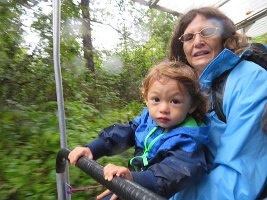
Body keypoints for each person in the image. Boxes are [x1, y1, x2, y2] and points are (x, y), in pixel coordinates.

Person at [68, 61, 209, 199]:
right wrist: (92, 149)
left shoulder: (189, 139)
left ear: (192, 105)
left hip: (150, 191)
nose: (163, 109)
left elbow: (175, 172)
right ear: (146, 98)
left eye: (175, 101)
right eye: (156, 99)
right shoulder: (147, 120)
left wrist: (134, 179)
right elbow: (123, 134)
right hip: (132, 184)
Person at [168, 6, 267, 200]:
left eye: (207, 32)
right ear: (182, 48)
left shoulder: (249, 78)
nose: (197, 41)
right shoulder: (187, 89)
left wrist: (166, 195)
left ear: (224, 38)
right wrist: (140, 180)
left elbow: (239, 177)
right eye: (188, 37)